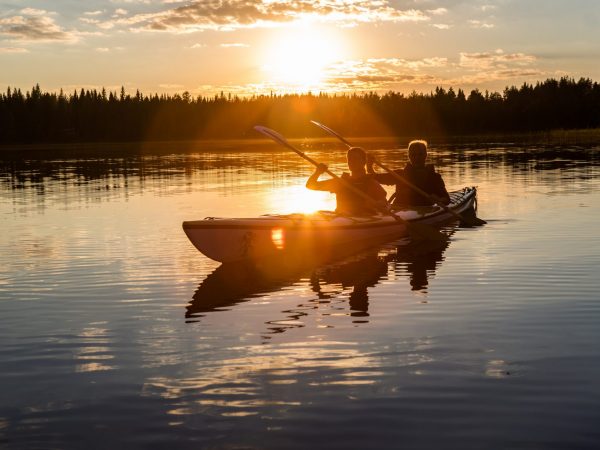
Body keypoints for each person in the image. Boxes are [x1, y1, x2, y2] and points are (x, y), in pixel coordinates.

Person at [306, 147, 387, 216]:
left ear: (364, 162)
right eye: (349, 159)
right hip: (342, 218)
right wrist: (317, 172)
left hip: (363, 218)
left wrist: (378, 204)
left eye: (355, 158)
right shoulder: (340, 182)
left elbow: (384, 202)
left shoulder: (371, 183)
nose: (352, 162)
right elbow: (310, 185)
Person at [368, 140, 450, 207]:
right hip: (399, 210)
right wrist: (369, 165)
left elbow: (446, 199)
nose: (417, 158)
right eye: (413, 155)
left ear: (425, 155)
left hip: (424, 211)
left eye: (420, 154)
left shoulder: (434, 177)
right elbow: (374, 177)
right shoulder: (399, 174)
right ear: (409, 156)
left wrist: (439, 200)